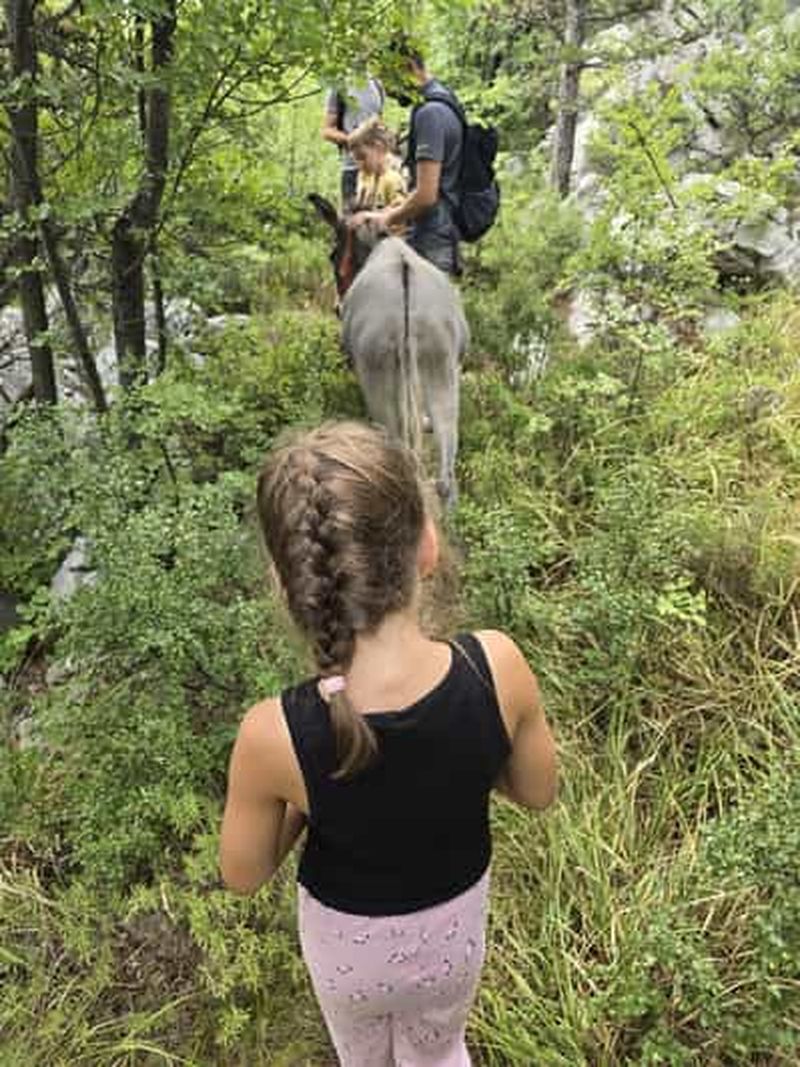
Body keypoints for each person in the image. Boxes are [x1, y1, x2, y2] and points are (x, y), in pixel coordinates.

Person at [219, 421, 557, 1067]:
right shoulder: (499, 667)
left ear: (287, 583)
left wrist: (302, 802)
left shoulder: (272, 734)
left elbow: (243, 873)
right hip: (451, 938)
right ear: (427, 545)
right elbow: (538, 791)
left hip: (349, 955)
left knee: (362, 1055)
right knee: (437, 1048)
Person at [350, 46, 464, 276]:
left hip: (432, 238)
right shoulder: (445, 99)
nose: (387, 91)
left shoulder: (430, 113)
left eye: (387, 80)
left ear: (408, 67)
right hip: (438, 231)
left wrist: (386, 218)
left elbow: (426, 195)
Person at [322, 76, 385, 212]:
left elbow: (379, 122)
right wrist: (354, 140)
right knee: (352, 226)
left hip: (378, 172)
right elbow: (327, 131)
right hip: (352, 170)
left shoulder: (377, 84)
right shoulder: (340, 84)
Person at [348, 117, 407, 234]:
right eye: (356, 160)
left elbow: (400, 212)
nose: (360, 164)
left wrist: (372, 216)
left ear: (379, 148)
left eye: (363, 157)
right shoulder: (363, 177)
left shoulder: (392, 180)